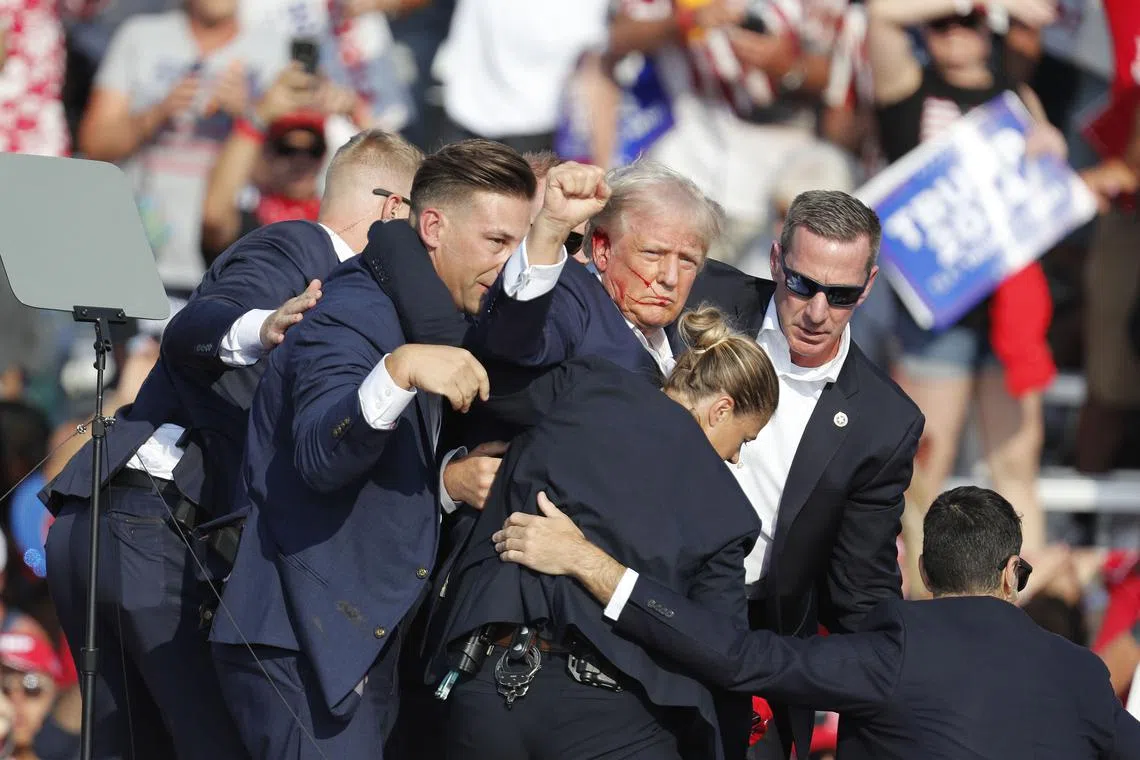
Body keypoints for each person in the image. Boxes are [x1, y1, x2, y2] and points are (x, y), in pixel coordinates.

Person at [208, 142, 609, 759]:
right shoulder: (350, 313)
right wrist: (396, 373)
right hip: (302, 648)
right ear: (432, 226)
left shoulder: (432, 311)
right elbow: (320, 455)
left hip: (355, 650)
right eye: (497, 242)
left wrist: (446, 483)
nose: (506, 265)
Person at [42, 128, 423, 760]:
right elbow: (196, 324)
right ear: (392, 209)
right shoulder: (299, 248)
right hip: (152, 530)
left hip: (116, 524)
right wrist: (264, 324)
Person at [494, 485, 1140, 760]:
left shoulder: (896, 648)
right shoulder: (1082, 675)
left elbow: (737, 656)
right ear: (1010, 573)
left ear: (921, 572)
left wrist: (591, 563)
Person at [432, 307, 777, 760]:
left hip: (485, 687)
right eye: (744, 440)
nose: (735, 459)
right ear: (721, 409)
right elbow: (718, 646)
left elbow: (486, 382)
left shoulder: (585, 383)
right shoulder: (726, 509)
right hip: (614, 723)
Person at [678, 190, 923, 760]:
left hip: (754, 644)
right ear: (774, 261)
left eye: (840, 296)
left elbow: (860, 591)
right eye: (802, 285)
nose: (817, 311)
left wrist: (911, 675)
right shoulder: (699, 294)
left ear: (868, 287)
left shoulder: (885, 422)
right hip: (638, 592)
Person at [866, 0, 1065, 558]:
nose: (954, 32)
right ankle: (923, 616)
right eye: (941, 22)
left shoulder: (1014, 96)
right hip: (938, 312)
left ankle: (1022, 617)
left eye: (968, 24)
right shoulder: (909, 86)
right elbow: (881, 16)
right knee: (926, 463)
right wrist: (976, 3)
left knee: (1016, 464)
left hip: (1009, 310)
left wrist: (1052, 151)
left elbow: (1049, 188)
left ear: (990, 33)